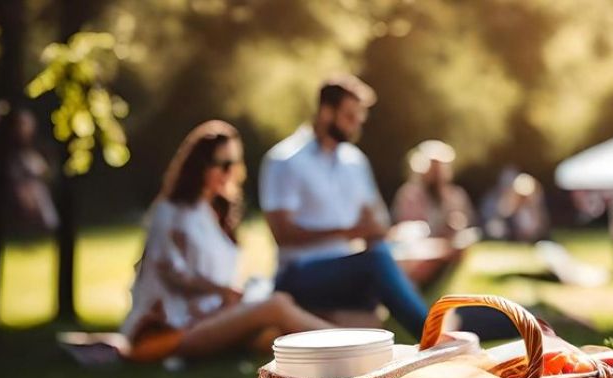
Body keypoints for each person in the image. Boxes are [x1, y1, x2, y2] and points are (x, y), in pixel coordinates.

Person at [120, 120, 331, 362]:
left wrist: (235, 295)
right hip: (167, 334)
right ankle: (353, 347)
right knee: (277, 306)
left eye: (234, 164)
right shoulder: (170, 212)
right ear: (199, 166)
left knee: (281, 328)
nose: (230, 172)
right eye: (222, 164)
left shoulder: (214, 214)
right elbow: (171, 271)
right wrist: (222, 290)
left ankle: (354, 349)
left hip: (210, 319)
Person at [260, 75, 430, 338]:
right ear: (327, 112)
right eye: (350, 117)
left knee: (383, 257)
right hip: (299, 275)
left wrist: (373, 230)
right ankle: (432, 335)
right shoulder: (286, 160)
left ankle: (474, 324)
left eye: (359, 118)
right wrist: (348, 232)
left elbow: (376, 222)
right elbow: (283, 235)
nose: (356, 125)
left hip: (347, 271)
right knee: (377, 263)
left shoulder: (355, 162)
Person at [389, 139, 478, 288]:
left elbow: (469, 223)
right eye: (433, 167)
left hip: (447, 246)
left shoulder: (456, 195)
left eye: (440, 167)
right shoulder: (409, 195)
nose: (437, 172)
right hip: (418, 249)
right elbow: (407, 230)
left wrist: (455, 225)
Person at [484, 171, 550, 242]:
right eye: (521, 196)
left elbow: (540, 225)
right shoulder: (508, 209)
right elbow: (504, 216)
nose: (523, 198)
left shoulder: (535, 210)